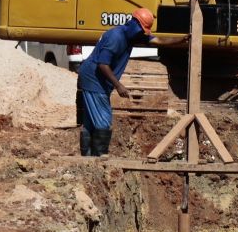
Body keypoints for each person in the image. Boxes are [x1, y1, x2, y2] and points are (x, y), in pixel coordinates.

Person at [77, 8, 187, 157]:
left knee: (91, 121)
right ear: (134, 23)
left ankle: (87, 159)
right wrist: (119, 85)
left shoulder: (133, 35)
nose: (142, 33)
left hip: (96, 79)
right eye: (141, 29)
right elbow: (103, 64)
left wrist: (181, 39)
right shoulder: (116, 37)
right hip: (93, 78)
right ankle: (100, 157)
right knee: (103, 120)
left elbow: (158, 40)